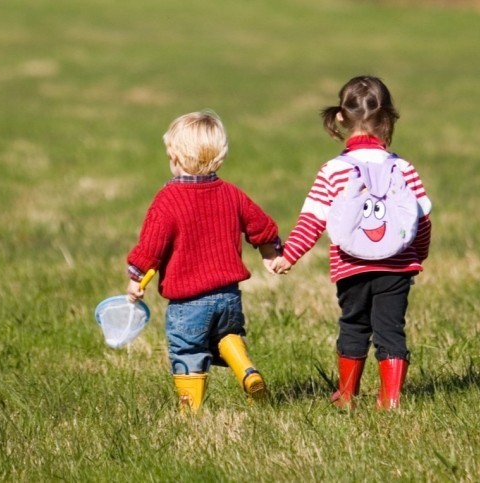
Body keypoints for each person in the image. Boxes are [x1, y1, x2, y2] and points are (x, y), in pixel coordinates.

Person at [271, 76, 432, 410]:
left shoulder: (333, 170)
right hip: (397, 267)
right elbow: (422, 219)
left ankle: (346, 395)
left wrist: (289, 256)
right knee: (391, 329)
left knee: (354, 325)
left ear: (341, 118)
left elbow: (312, 219)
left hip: (351, 266)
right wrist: (418, 253)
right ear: (387, 118)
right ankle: (390, 399)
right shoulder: (403, 168)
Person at [126, 110, 281, 413]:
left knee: (189, 349)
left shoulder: (168, 199)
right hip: (229, 297)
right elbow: (260, 225)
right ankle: (246, 369)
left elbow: (151, 247)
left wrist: (136, 277)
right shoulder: (231, 194)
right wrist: (270, 252)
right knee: (227, 336)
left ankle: (190, 411)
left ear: (176, 156)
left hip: (189, 303)